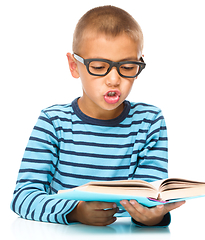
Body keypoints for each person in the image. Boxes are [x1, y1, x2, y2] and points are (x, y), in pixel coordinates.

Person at [11, 5, 185, 227]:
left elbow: (150, 196)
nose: (113, 80)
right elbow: (23, 198)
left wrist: (154, 216)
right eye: (100, 66)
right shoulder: (53, 121)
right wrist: (75, 211)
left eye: (128, 67)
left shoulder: (149, 121)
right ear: (74, 66)